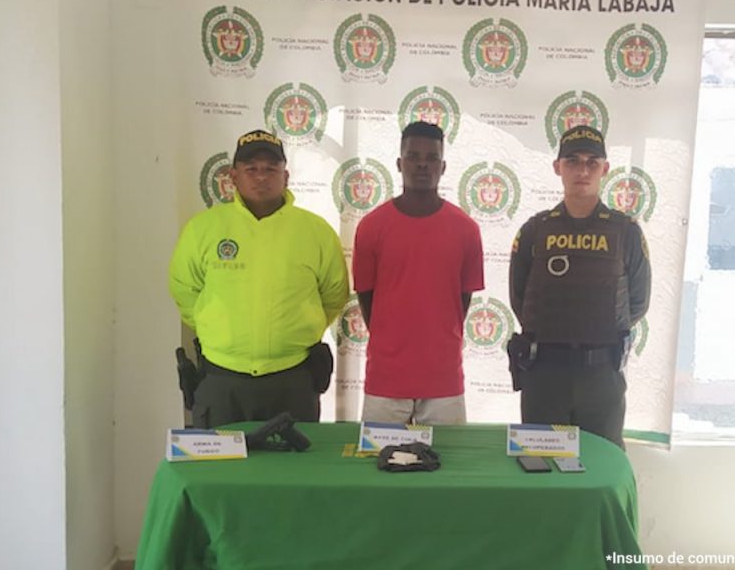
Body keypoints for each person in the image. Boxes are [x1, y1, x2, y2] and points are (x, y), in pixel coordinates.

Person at [169, 129, 349, 427]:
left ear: (286, 176)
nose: (261, 177)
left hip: (292, 380)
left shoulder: (315, 232)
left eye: (270, 169)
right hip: (221, 379)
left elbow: (333, 294)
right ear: (233, 176)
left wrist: (298, 330)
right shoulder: (203, 229)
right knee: (220, 473)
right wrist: (220, 331)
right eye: (251, 169)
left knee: (289, 474)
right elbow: (185, 289)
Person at [508, 125, 651, 449]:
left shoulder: (625, 231)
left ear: (605, 169)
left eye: (592, 162)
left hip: (602, 377)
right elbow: (520, 298)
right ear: (558, 167)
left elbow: (638, 302)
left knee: (601, 472)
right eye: (573, 161)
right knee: (541, 473)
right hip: (544, 374)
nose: (582, 170)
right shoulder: (535, 230)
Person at [352, 121, 485, 425]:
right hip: (386, 380)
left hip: (443, 380)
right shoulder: (372, 227)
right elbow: (367, 298)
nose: (422, 164)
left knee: (446, 468)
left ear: (444, 166)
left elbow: (461, 302)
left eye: (431, 157)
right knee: (378, 467)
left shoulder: (466, 230)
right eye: (413, 156)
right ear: (399, 164)